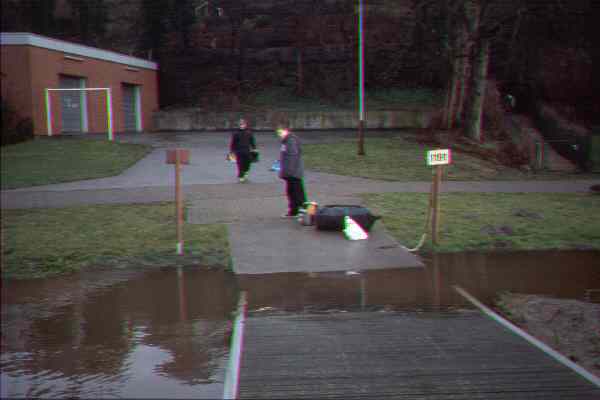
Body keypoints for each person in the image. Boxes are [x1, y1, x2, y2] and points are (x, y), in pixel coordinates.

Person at [277, 127, 307, 217]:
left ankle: (301, 211)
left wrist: (288, 171)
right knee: (292, 191)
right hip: (291, 172)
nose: (279, 134)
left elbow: (292, 156)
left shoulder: (290, 141)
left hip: (293, 172)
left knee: (296, 192)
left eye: (281, 132)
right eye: (278, 132)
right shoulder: (286, 141)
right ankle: (294, 210)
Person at [229, 118, 256, 183]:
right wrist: (232, 150)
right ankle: (241, 177)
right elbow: (233, 142)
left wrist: (254, 148)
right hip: (239, 151)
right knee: (240, 164)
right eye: (241, 124)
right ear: (239, 125)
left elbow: (252, 141)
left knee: (247, 164)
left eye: (243, 124)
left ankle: (245, 174)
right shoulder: (236, 133)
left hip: (247, 151)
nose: (242, 126)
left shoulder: (249, 133)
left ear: (245, 125)